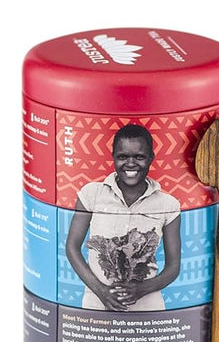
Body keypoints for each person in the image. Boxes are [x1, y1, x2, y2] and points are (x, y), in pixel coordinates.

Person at [66, 124, 181, 311]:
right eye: (122, 157)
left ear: (151, 158)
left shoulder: (168, 205)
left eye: (139, 157)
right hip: (96, 302)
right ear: (113, 157)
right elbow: (72, 247)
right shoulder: (91, 194)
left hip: (147, 306)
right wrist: (101, 291)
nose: (130, 163)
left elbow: (173, 268)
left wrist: (141, 289)